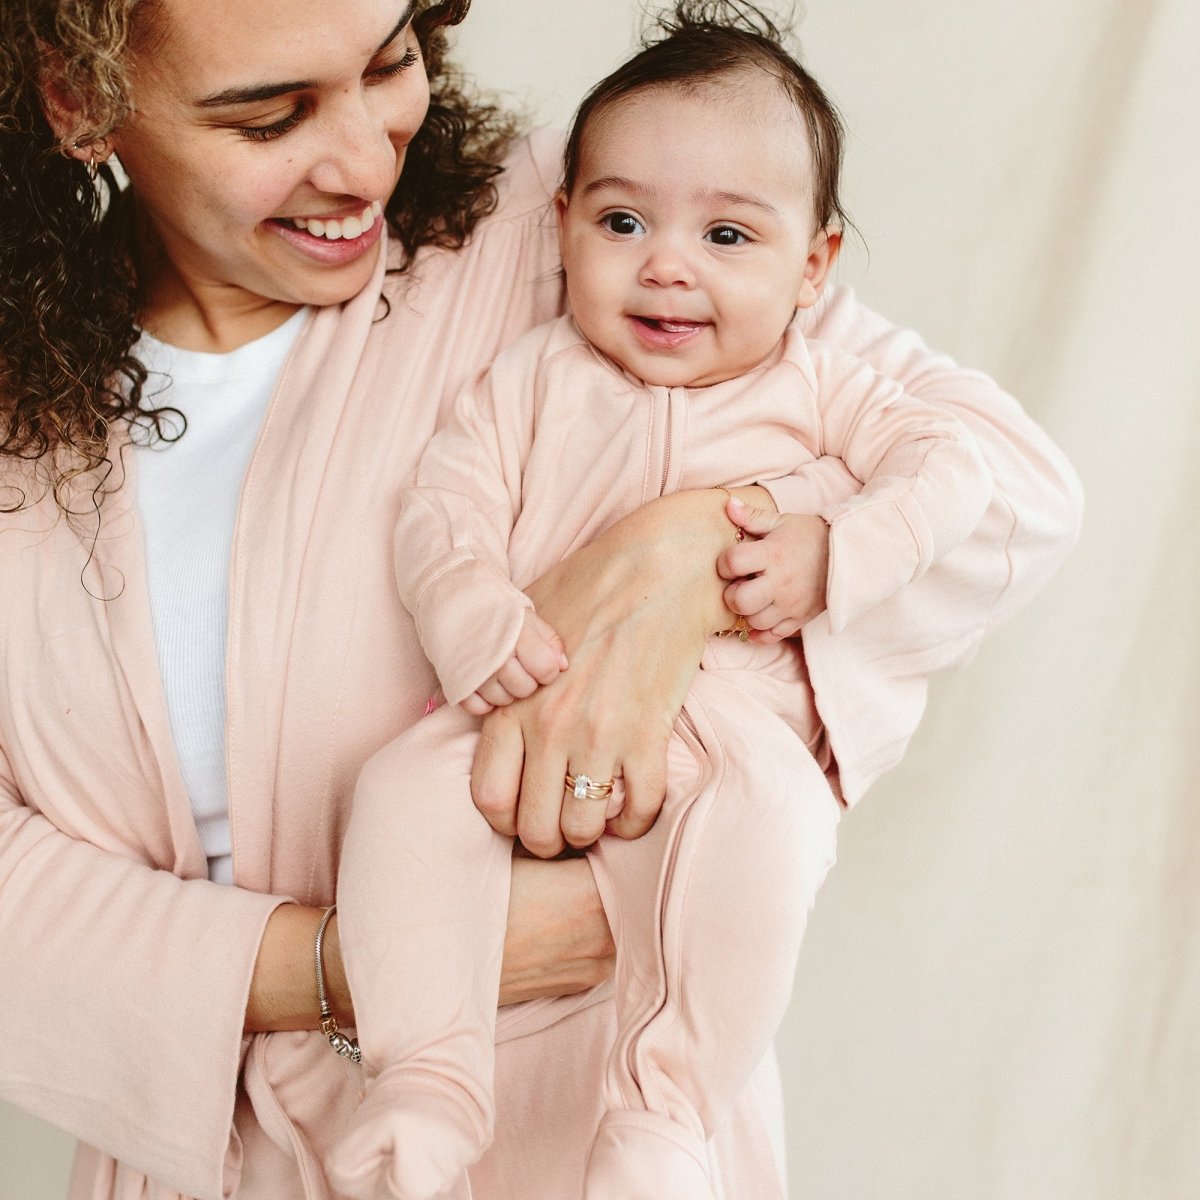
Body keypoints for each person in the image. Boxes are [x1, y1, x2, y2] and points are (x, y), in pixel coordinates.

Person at [0, 0, 1082, 1198]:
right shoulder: (22, 421)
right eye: (269, 116)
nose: (365, 162)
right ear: (80, 98)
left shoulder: (568, 224)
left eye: (390, 63)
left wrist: (687, 559)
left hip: (581, 1144)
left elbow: (1007, 489)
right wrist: (353, 965)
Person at [328, 11, 996, 1200]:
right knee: (394, 798)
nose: (667, 264)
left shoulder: (825, 387)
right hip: (524, 707)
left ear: (814, 268)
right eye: (622, 221)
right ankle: (427, 1082)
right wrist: (474, 613)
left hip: (728, 735)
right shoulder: (534, 376)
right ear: (564, 226)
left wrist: (833, 549)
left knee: (776, 837)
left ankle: (666, 1115)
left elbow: (958, 472)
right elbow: (444, 508)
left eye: (728, 233)